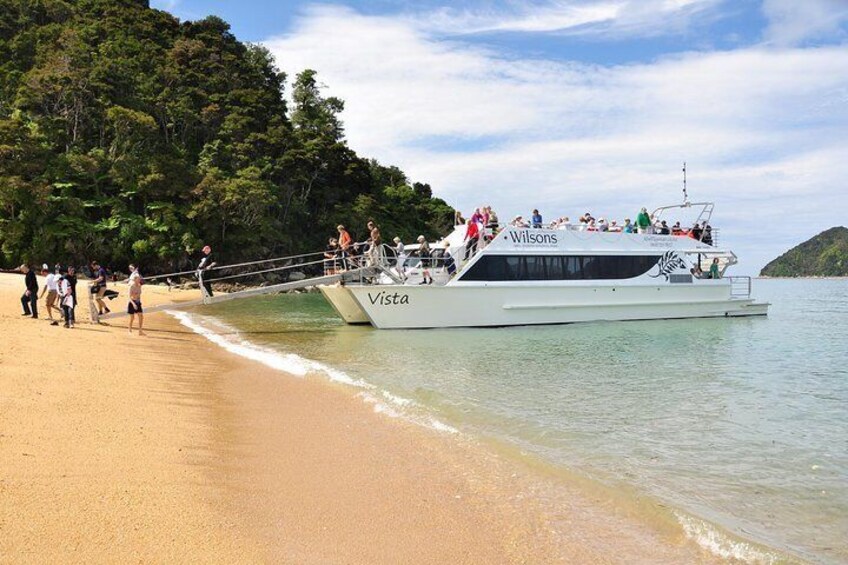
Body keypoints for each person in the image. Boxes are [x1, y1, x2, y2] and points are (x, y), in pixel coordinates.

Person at [127, 269, 144, 335]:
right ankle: (129, 330)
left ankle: (140, 330)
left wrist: (138, 301)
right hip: (132, 302)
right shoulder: (131, 286)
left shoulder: (139, 286)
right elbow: (129, 297)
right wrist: (134, 304)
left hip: (138, 301)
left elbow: (139, 294)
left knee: (141, 316)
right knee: (132, 317)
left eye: (139, 279)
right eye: (138, 279)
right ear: (135, 279)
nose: (139, 280)